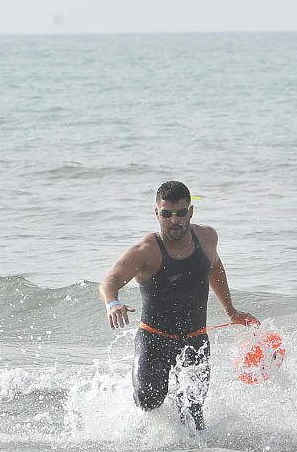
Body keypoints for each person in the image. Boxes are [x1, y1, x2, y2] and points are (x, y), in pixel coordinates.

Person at [98, 181, 258, 433]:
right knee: (149, 401)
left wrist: (231, 310)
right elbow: (110, 281)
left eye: (181, 213)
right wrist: (113, 303)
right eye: (167, 214)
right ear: (157, 213)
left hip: (195, 340)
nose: (175, 220)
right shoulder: (145, 251)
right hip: (154, 339)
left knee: (193, 415)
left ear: (191, 212)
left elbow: (214, 266)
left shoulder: (207, 237)